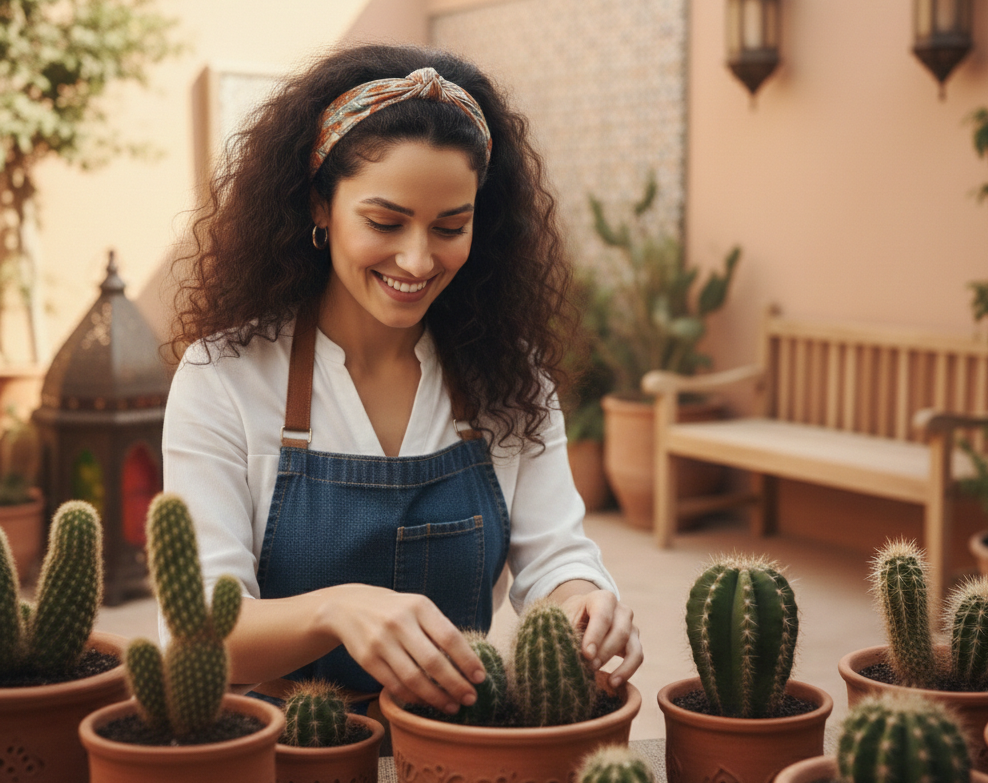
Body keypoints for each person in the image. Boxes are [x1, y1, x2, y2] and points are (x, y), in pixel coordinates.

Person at [164, 43, 642, 717]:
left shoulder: (510, 380)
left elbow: (558, 559)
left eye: (452, 225)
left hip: (450, 747)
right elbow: (197, 633)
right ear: (320, 206)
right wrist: (338, 610)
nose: (418, 259)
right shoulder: (225, 379)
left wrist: (586, 601)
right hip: (277, 752)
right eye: (384, 222)